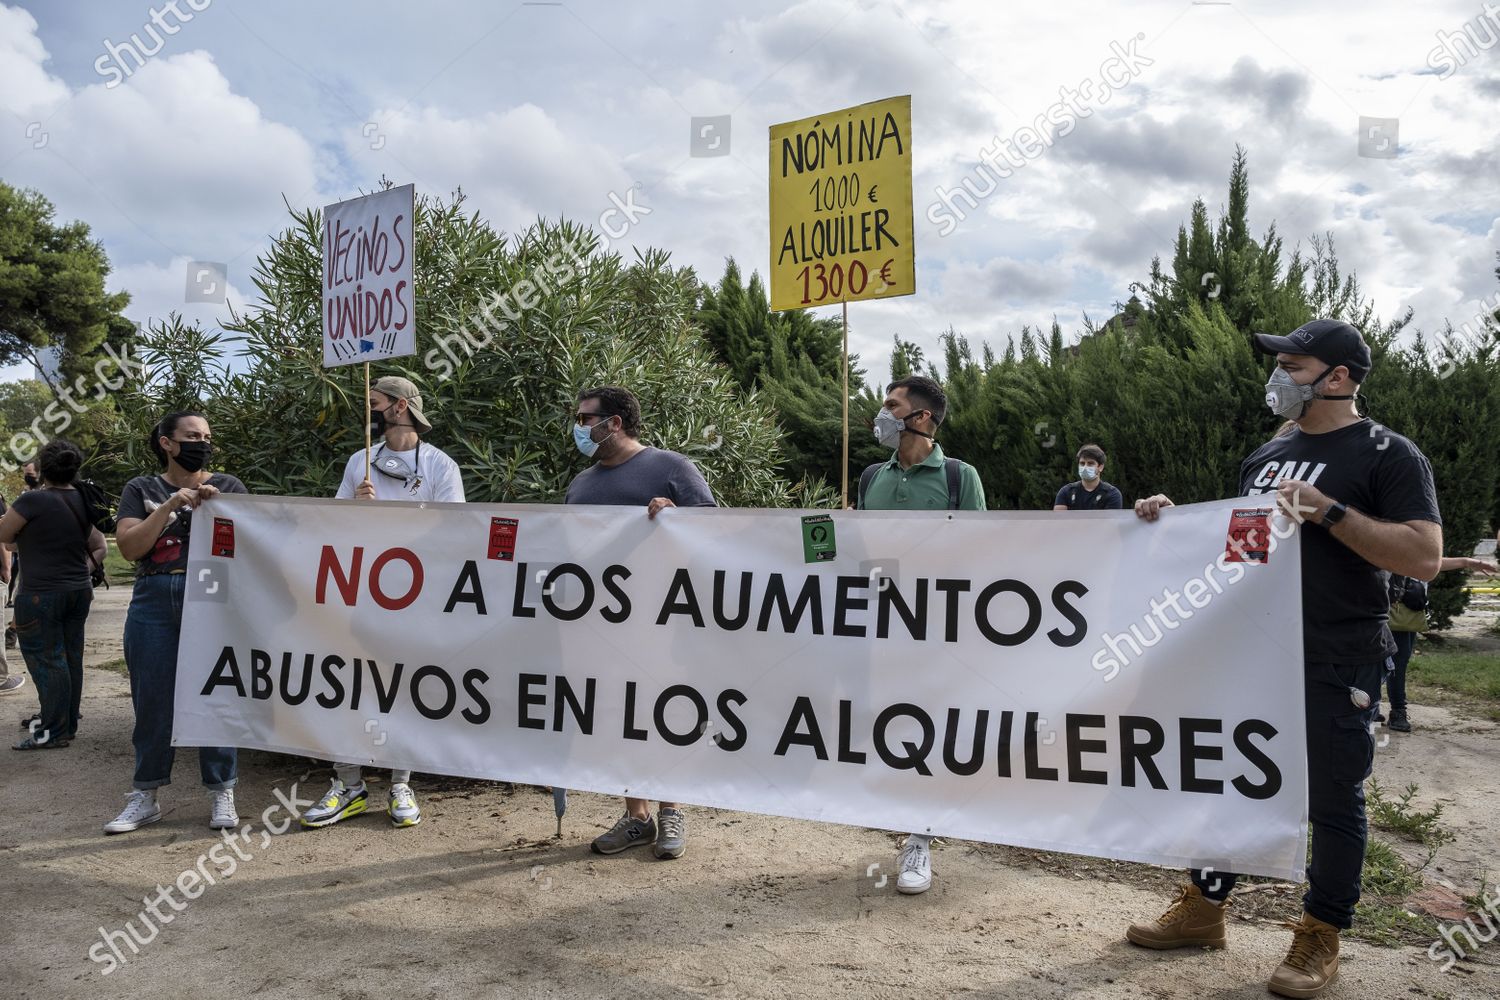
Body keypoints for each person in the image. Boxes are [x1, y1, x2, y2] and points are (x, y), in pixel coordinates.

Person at [1127, 319, 1443, 998]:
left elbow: (1423, 555)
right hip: (1252, 654)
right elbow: (1243, 554)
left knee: (1331, 798)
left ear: (1338, 378)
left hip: (1337, 652)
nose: (1278, 378)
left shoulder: (1389, 453)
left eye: (1293, 366)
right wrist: (1176, 522)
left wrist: (1328, 511)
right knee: (1231, 781)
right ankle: (1205, 910)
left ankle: (1320, 934)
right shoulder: (1264, 457)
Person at [301, 375, 465, 830]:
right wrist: (357, 506)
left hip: (414, 600)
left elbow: (454, 532)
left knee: (402, 692)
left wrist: (399, 519)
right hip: (359, 597)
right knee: (349, 687)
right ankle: (348, 783)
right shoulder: (361, 461)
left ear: (397, 407)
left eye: (373, 402)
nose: (366, 410)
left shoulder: (439, 465)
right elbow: (333, 527)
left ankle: (400, 783)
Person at [566, 385, 716, 860]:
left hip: (664, 626)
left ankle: (671, 809)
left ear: (614, 423)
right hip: (600, 627)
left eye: (585, 418)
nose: (579, 427)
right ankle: (637, 816)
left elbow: (718, 534)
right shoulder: (581, 485)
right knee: (617, 717)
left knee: (661, 714)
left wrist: (677, 519)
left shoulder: (671, 468)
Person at [857, 375, 985, 894]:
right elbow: (849, 554)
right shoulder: (870, 477)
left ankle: (920, 838)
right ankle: (906, 821)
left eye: (891, 405)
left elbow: (979, 552)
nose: (881, 413)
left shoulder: (959, 477)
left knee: (925, 729)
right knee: (885, 726)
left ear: (922, 418)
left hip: (936, 631)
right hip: (879, 629)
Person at [105, 412, 248, 833]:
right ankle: (145, 796)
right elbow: (130, 548)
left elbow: (252, 546)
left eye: (206, 436)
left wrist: (218, 506)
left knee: (217, 696)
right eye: (191, 436)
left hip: (213, 598)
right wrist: (170, 505)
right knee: (152, 699)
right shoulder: (141, 489)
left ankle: (222, 792)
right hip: (154, 597)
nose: (201, 443)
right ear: (167, 443)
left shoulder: (230, 487)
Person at [4, 440, 105, 748]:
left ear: (43, 468)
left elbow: (3, 537)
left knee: (48, 661)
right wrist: (82, 570)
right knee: (70, 657)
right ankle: (66, 722)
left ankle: (52, 731)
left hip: (40, 594)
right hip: (78, 591)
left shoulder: (32, 501)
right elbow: (100, 545)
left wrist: (24, 542)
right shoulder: (84, 499)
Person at [1382, 556, 1496, 732]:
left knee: (1398, 663)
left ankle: (1391, 710)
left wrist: (1467, 562)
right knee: (1381, 662)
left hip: (1406, 612)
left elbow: (1432, 561)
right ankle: (1384, 709)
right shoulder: (1393, 538)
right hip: (1382, 608)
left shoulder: (1416, 544)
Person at [1052, 444, 1122, 511]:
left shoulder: (1112, 494)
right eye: (1082, 463)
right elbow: (1058, 520)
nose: (1085, 467)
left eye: (1090, 463)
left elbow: (1110, 522)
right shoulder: (1066, 492)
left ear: (1100, 467)